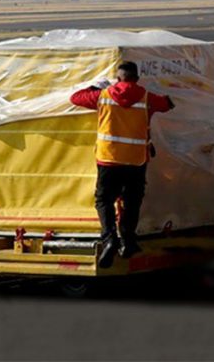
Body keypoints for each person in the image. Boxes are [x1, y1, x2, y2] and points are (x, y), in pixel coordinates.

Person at [70, 61, 175, 268]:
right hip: (136, 159)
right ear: (137, 78)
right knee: (132, 201)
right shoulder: (146, 97)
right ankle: (128, 240)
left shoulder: (103, 95)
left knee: (104, 200)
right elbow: (168, 104)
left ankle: (110, 239)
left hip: (109, 158)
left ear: (118, 79)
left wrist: (96, 85)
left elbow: (75, 98)